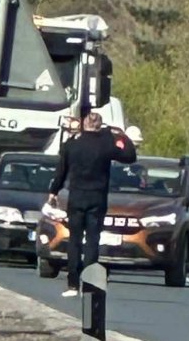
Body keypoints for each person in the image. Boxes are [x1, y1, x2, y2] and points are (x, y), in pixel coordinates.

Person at [48, 112, 137, 297]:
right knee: (92, 240)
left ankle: (72, 284)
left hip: (76, 197)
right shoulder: (106, 144)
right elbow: (130, 156)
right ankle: (88, 283)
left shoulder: (72, 145)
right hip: (97, 198)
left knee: (74, 240)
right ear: (99, 125)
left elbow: (61, 171)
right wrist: (121, 135)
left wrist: (53, 192)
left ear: (84, 124)